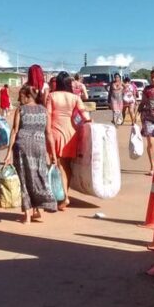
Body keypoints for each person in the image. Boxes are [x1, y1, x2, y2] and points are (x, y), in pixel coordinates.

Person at [4, 85, 57, 223]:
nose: (19, 99)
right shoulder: (44, 111)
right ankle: (38, 209)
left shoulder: (20, 110)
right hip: (39, 147)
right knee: (38, 177)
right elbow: (49, 133)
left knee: (24, 179)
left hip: (22, 147)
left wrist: (8, 153)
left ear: (28, 96)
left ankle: (27, 215)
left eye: (21, 96)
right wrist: (53, 154)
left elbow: (15, 131)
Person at [47, 71, 90, 210]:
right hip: (72, 133)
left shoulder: (51, 96)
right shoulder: (75, 97)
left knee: (59, 164)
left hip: (55, 131)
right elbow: (84, 114)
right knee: (67, 165)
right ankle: (65, 194)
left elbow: (48, 115)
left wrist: (46, 132)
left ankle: (63, 196)